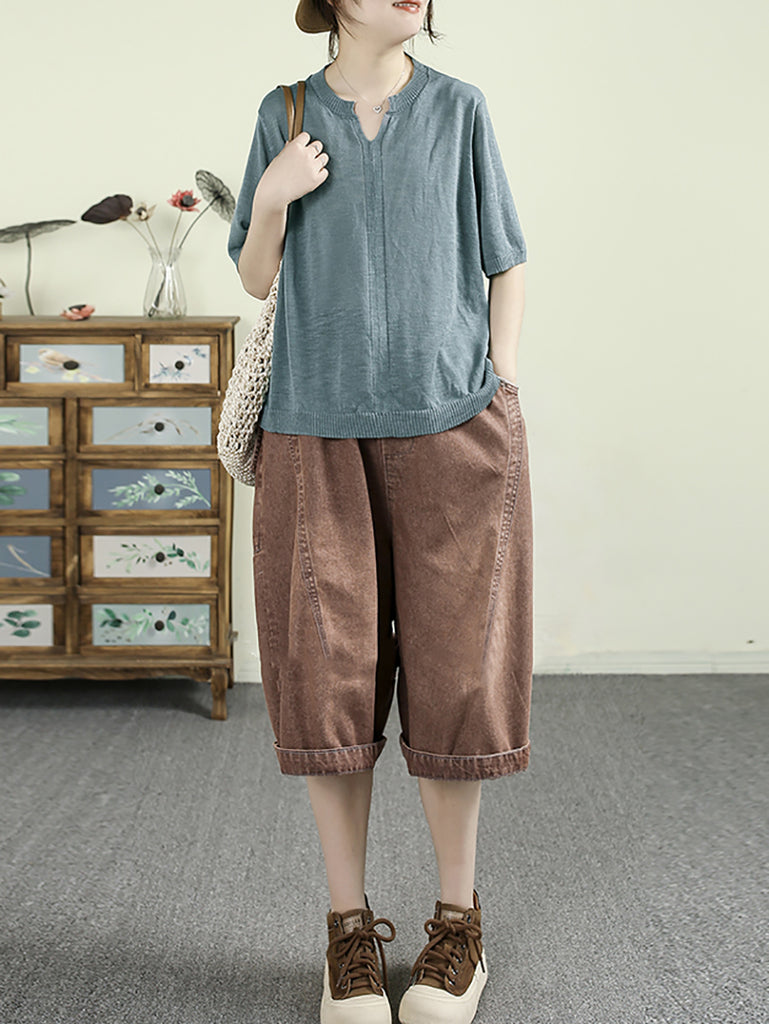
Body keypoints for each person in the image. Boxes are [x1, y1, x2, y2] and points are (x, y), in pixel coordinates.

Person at [227, 2, 533, 1022]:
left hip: (451, 426)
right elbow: (256, 274)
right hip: (314, 433)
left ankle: (457, 925)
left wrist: (497, 382)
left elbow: (505, 258)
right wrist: (270, 197)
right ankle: (347, 932)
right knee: (328, 683)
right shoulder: (283, 111)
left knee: (456, 676)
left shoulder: (459, 109)